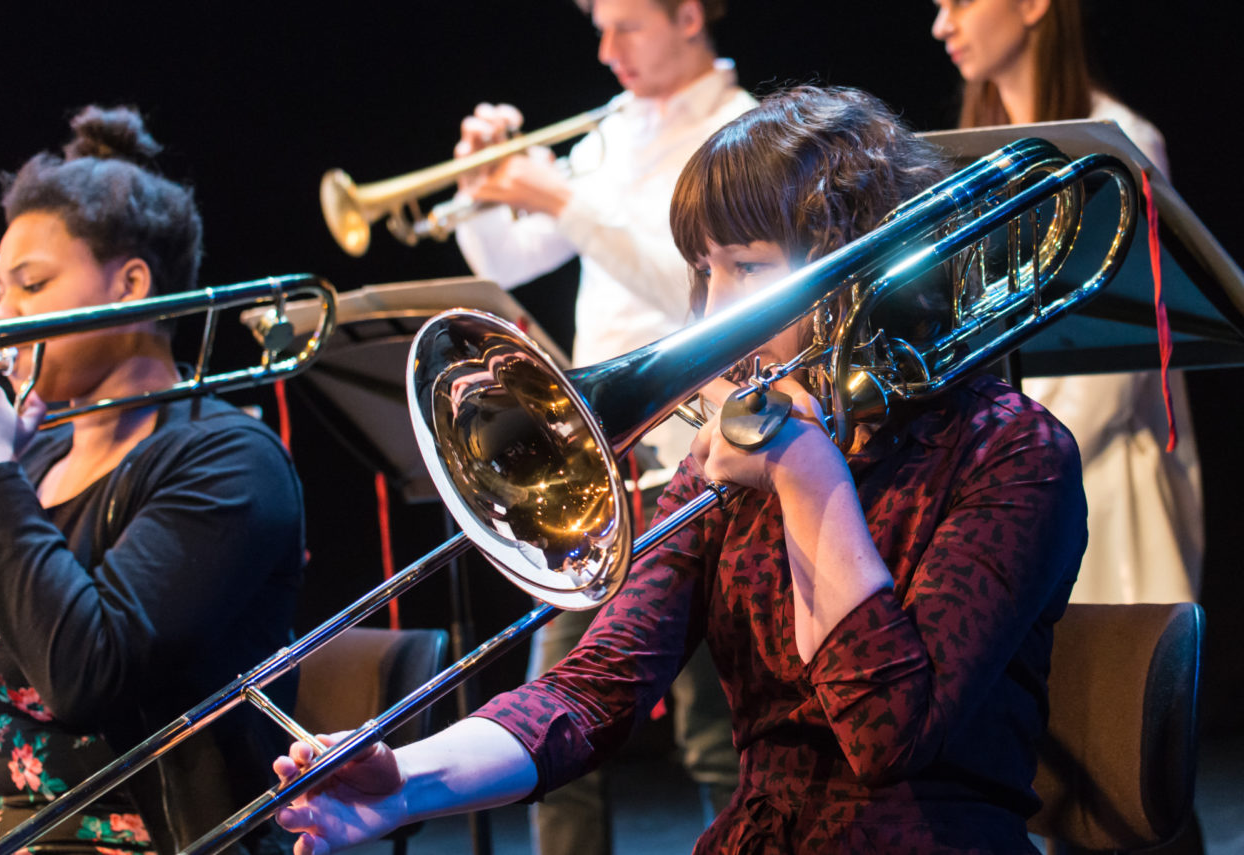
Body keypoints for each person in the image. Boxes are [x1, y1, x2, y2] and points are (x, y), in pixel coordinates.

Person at [272, 85, 1087, 854]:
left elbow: (887, 733)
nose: (713, 311)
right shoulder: (731, 463)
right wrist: (404, 781)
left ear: (856, 273)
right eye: (704, 269)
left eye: (750, 268)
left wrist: (810, 481)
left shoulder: (1012, 453)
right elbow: (592, 691)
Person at [451, 0, 756, 847]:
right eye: (600, 25)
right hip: (601, 455)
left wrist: (562, 196)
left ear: (688, 15)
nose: (605, 46)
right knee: (555, 711)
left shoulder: (740, 132)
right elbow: (514, 261)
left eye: (627, 24)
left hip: (696, 447)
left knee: (716, 729)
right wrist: (483, 191)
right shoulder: (616, 131)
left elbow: (705, 300)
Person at [0, 106, 305, 854]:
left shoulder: (228, 459)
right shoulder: (32, 462)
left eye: (30, 284)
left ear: (131, 284)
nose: (0, 318)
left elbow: (87, 671)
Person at [931, 0, 1204, 604]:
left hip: (1095, 488)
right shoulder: (971, 161)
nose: (942, 25)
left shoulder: (1121, 143)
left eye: (960, 3)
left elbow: (1113, 377)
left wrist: (1003, 469)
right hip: (1001, 485)